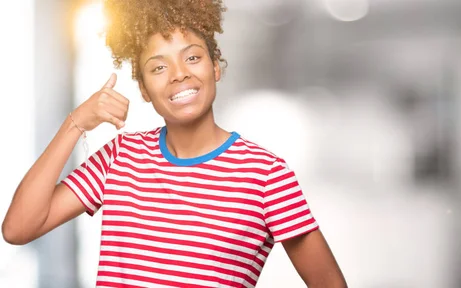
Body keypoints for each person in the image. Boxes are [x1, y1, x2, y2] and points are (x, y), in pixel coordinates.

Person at [1, 0, 347, 287]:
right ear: (143, 90)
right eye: (158, 67)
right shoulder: (120, 159)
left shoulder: (266, 174)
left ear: (216, 67)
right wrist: (75, 123)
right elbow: (17, 228)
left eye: (192, 57)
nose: (179, 73)